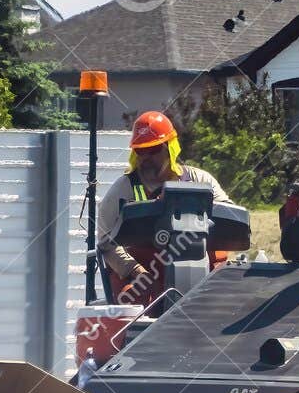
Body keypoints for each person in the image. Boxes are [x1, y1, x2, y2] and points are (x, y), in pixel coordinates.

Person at [96, 111, 230, 306]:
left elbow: (230, 217)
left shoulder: (200, 180)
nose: (146, 158)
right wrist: (137, 271)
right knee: (133, 299)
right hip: (145, 274)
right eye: (141, 151)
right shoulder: (122, 190)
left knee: (230, 298)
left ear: (170, 148)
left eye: (154, 149)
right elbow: (106, 242)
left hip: (202, 270)